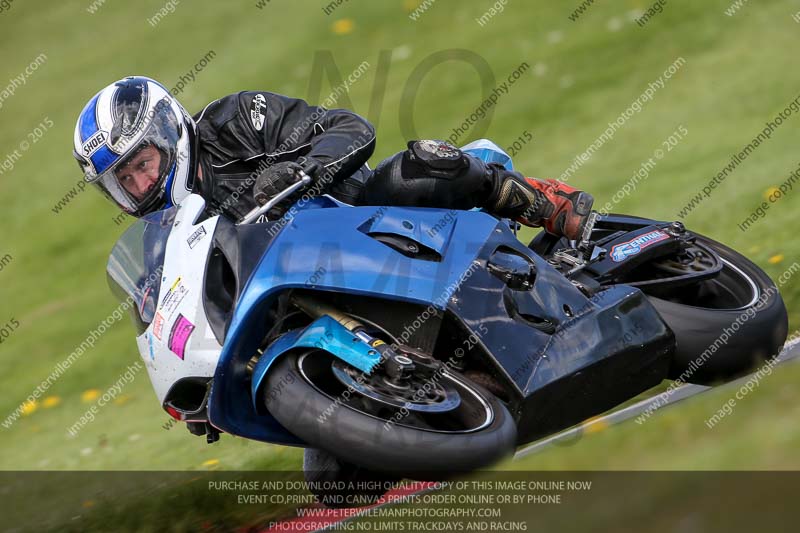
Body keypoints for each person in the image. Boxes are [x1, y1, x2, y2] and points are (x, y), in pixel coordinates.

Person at [73, 76, 593, 240]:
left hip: (363, 218)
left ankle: (536, 200)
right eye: (125, 182)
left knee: (423, 163)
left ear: (165, 134)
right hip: (290, 284)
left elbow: (349, 128)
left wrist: (299, 170)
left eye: (142, 164)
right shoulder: (161, 234)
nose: (141, 184)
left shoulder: (234, 120)